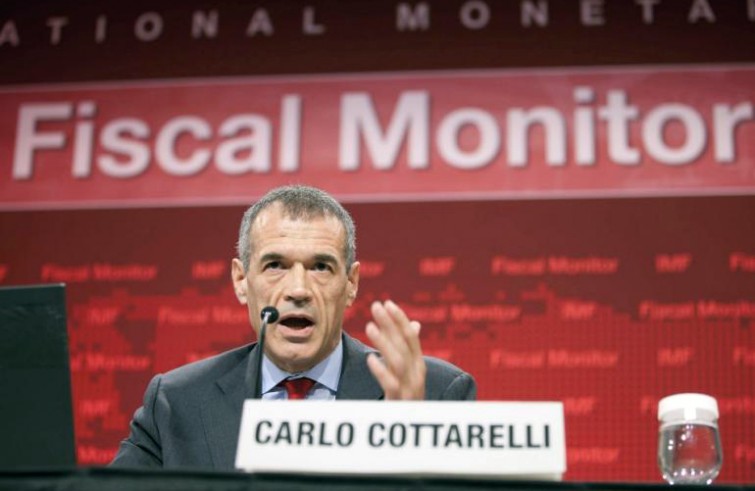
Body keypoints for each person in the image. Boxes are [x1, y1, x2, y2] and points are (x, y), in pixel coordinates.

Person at [111, 185, 476, 470]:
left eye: (320, 267)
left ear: (351, 283)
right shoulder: (177, 402)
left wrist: (411, 438)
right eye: (275, 265)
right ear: (241, 280)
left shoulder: (436, 395)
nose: (298, 290)